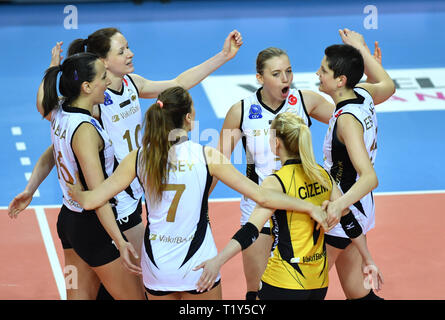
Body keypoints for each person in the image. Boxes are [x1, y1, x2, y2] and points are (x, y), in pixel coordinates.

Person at [10, 27, 242, 299]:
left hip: (104, 207)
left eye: (128, 47)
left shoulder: (131, 84)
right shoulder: (94, 104)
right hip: (115, 208)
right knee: (141, 288)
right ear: (103, 62)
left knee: (94, 290)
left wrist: (223, 56)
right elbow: (50, 119)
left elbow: (179, 81)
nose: (130, 53)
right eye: (121, 51)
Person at [67, 86, 333, 300]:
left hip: (157, 267)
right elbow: (262, 197)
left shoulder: (139, 158)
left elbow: (92, 200)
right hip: (199, 265)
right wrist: (309, 207)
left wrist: (73, 183)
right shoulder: (207, 156)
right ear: (188, 118)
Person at [211, 43, 381, 300]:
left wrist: (365, 78)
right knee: (257, 292)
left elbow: (347, 113)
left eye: (288, 71)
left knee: (303, 286)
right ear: (260, 78)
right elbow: (217, 163)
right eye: (277, 73)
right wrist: (201, 205)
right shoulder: (242, 111)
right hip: (260, 210)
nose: (286, 78)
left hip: (301, 212)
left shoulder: (304, 100)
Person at [194, 112, 383, 300]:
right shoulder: (322, 175)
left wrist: (218, 261)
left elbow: (251, 230)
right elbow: (349, 221)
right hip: (318, 283)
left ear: (276, 143)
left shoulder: (276, 182)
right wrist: (367, 259)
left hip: (284, 280)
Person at [34, 52, 144, 300]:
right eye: (103, 77)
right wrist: (121, 240)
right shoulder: (85, 131)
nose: (108, 82)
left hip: (69, 220)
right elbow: (98, 195)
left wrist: (52, 66)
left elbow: (42, 100)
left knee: (80, 297)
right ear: (86, 87)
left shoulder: (60, 111)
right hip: (93, 226)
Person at [317, 28, 395, 300]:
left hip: (345, 211)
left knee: (302, 286)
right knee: (357, 292)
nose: (318, 74)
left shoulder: (347, 121)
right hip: (357, 207)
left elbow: (369, 177)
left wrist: (338, 205)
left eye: (323, 70)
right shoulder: (363, 93)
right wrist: (362, 51)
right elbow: (388, 84)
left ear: (340, 80)